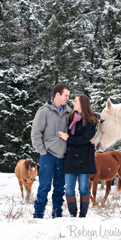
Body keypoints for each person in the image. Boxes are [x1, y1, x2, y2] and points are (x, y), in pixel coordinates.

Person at [30, 83, 71, 219]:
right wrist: (42, 151)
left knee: (60, 188)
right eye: (66, 95)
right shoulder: (44, 111)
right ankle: (38, 215)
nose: (67, 98)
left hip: (63, 157)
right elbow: (36, 133)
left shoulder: (69, 112)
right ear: (57, 95)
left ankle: (57, 215)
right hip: (48, 155)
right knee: (44, 186)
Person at [58, 94, 98, 218]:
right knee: (69, 189)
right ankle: (73, 214)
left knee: (83, 188)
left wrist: (68, 138)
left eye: (75, 101)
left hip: (85, 158)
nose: (73, 103)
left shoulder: (91, 120)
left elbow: (85, 139)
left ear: (82, 104)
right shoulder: (71, 118)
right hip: (70, 158)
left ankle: (82, 216)